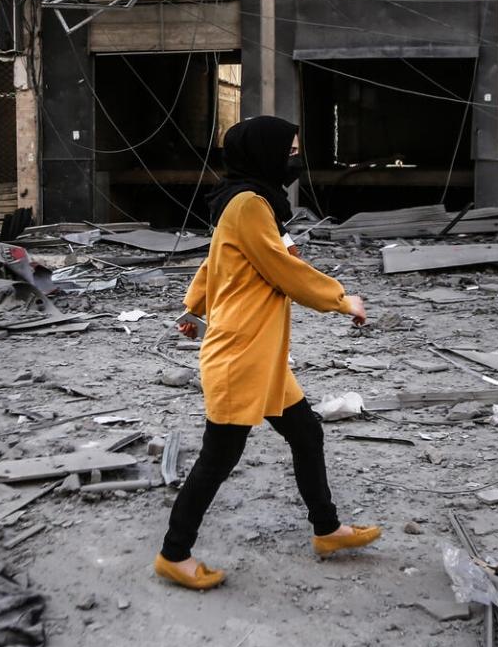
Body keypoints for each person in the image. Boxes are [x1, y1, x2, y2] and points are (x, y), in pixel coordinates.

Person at [154, 115, 380, 591]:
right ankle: (174, 554)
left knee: (306, 434)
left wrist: (193, 308)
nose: (295, 158)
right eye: (290, 150)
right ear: (264, 153)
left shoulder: (249, 202)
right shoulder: (250, 205)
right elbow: (283, 270)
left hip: (263, 355)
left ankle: (327, 530)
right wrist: (342, 299)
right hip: (240, 353)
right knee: (219, 458)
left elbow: (217, 260)